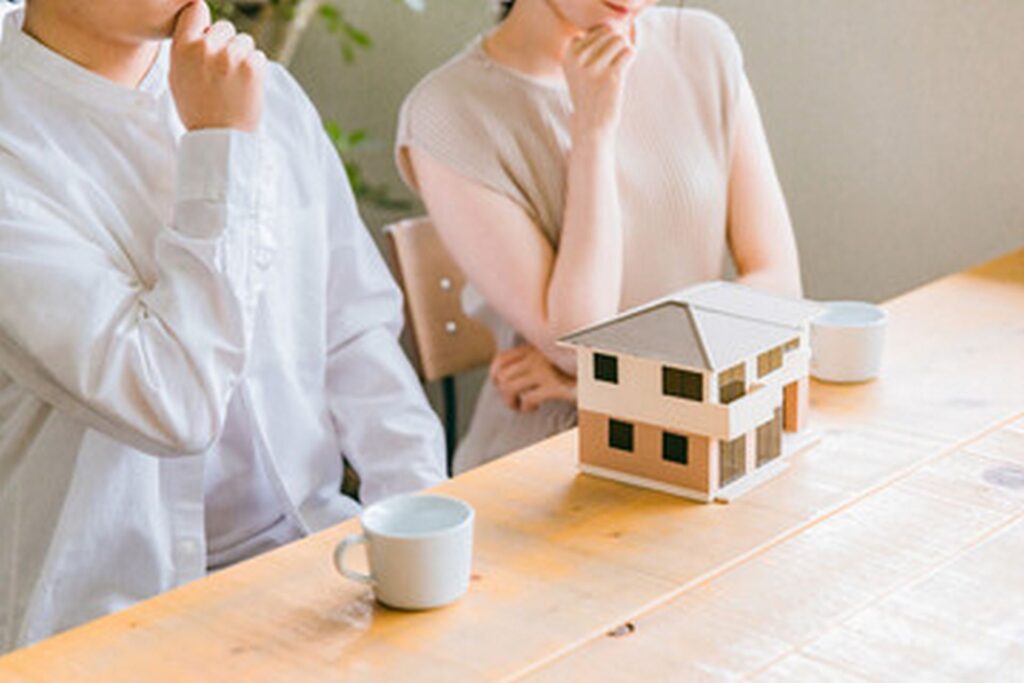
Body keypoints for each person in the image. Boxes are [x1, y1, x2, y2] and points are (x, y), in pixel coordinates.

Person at [0, 0, 446, 652]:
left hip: (316, 565)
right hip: (110, 624)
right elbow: (173, 403)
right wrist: (221, 145)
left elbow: (354, 330)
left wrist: (421, 516)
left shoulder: (266, 92)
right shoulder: (17, 148)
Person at [396, 0, 802, 473]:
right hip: (551, 464)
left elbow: (779, 290)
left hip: (707, 438)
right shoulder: (446, 114)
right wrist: (591, 132)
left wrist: (603, 386)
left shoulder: (701, 46)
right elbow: (580, 343)